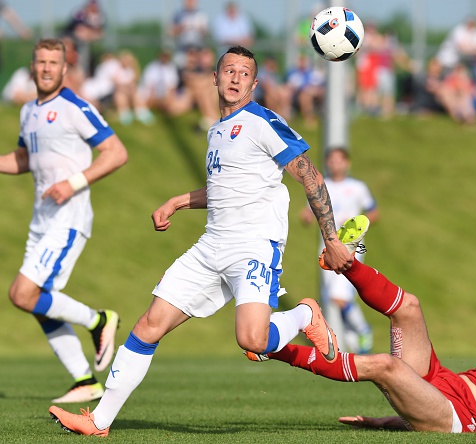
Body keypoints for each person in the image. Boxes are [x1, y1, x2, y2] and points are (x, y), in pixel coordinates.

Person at [48, 45, 353, 436]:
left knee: (252, 340)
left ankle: (305, 315)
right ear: (215, 77)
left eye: (244, 73)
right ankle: (99, 420)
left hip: (254, 245)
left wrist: (330, 238)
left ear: (255, 83)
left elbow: (310, 175)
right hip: (211, 246)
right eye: (229, 70)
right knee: (149, 324)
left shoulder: (263, 121)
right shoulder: (216, 130)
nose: (235, 77)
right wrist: (177, 201)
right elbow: (223, 189)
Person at [247, 215, 476, 433]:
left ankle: (270, 347)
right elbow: (427, 403)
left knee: (387, 365)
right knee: (409, 307)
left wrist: (396, 420)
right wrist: (393, 421)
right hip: (441, 384)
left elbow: (444, 416)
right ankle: (344, 262)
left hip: (461, 417)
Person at [0, 38, 128, 403]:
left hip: (68, 217)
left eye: (52, 63)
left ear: (64, 69)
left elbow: (116, 153)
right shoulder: (28, 111)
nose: (45, 68)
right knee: (36, 300)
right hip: (41, 220)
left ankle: (99, 321)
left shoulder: (75, 106)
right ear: (32, 66)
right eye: (40, 62)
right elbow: (24, 160)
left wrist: (72, 183)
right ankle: (84, 380)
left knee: (22, 293)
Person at [300, 149, 378, 354]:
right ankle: (352, 340)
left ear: (347, 163)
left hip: (351, 246)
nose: (335, 164)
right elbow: (309, 212)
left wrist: (359, 225)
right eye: (331, 160)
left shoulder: (357, 187)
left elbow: (373, 211)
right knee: (330, 297)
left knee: (339, 296)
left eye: (339, 160)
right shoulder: (320, 185)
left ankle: (363, 330)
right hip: (326, 245)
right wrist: (306, 217)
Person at [169, 0, 209, 69]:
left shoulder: (201, 15)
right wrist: (181, 28)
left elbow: (206, 33)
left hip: (197, 49)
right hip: (183, 49)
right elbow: (171, 32)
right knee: (177, 62)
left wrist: (198, 29)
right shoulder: (178, 15)